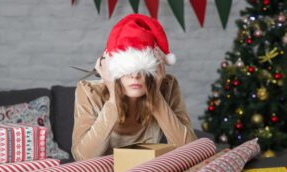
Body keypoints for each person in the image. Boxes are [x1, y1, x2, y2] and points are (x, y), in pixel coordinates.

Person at [71, 14, 197, 161]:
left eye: (143, 68)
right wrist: (113, 99)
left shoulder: (167, 87)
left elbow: (191, 151)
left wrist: (155, 95)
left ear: (155, 69)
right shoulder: (89, 91)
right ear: (114, 69)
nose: (135, 76)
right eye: (126, 68)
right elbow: (82, 157)